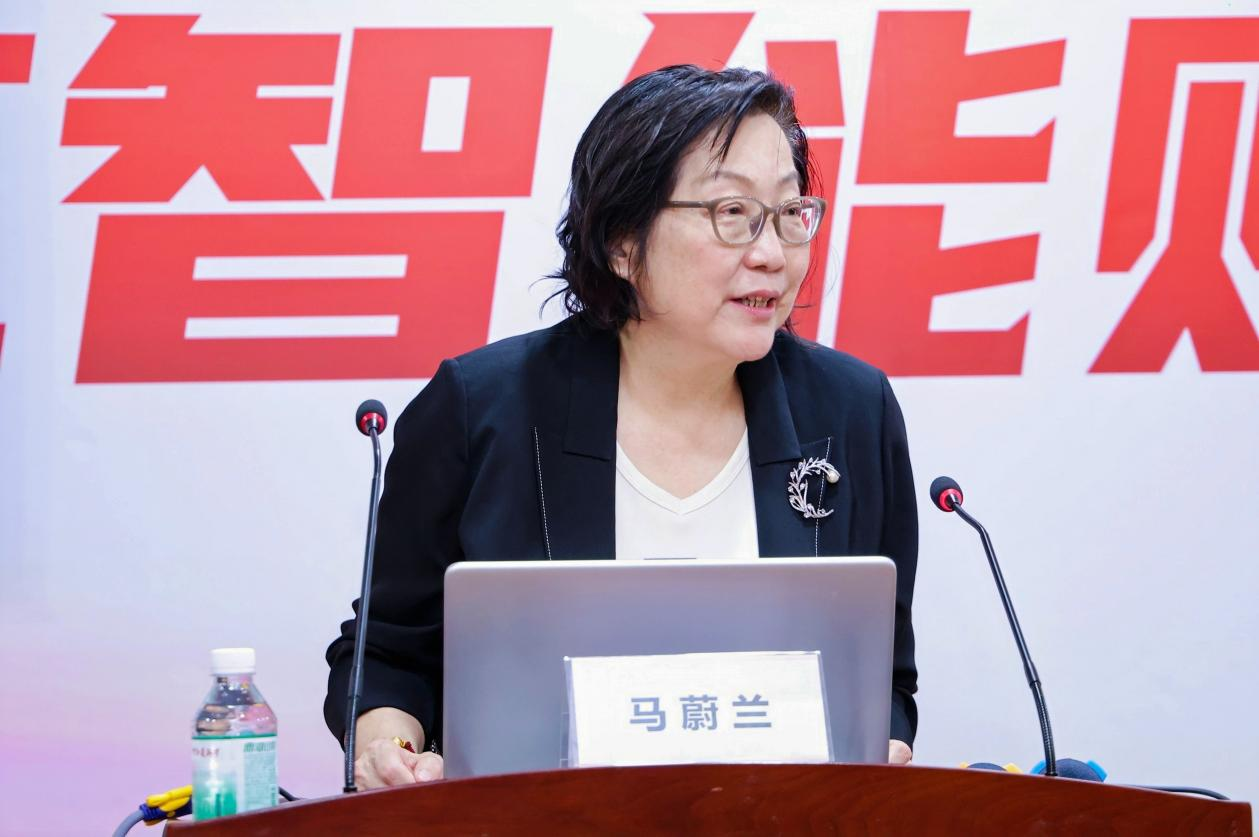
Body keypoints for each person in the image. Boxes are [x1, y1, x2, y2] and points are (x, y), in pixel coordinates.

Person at [325, 65, 919, 788]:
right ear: (622, 243)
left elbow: (884, 675)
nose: (772, 252)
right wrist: (390, 748)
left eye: (790, 211)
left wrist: (882, 742)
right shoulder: (483, 410)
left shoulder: (851, 411)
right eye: (732, 211)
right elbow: (388, 654)